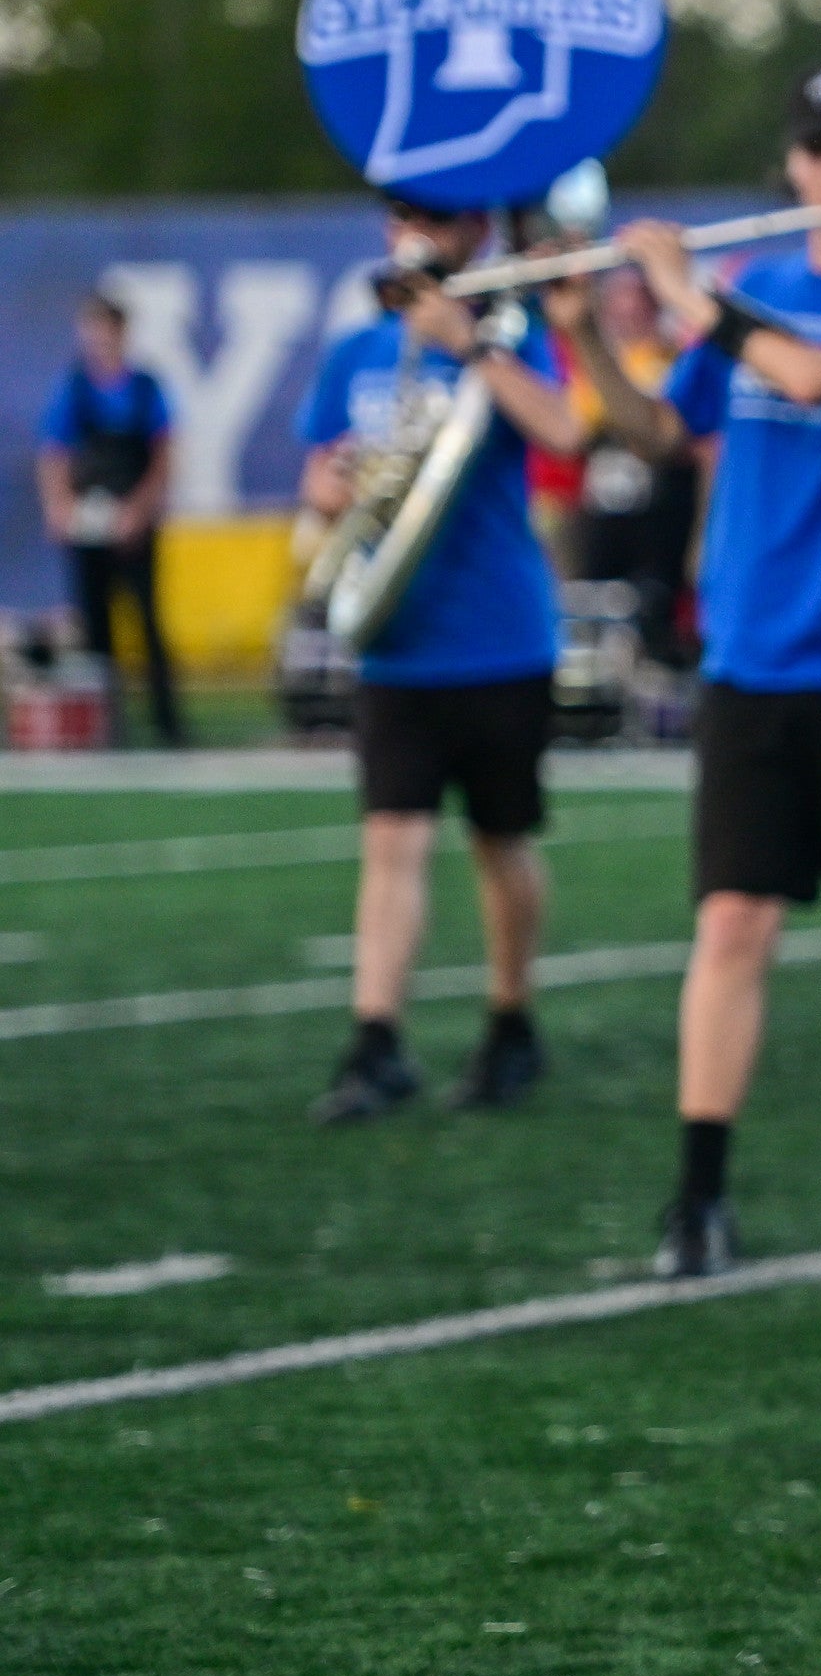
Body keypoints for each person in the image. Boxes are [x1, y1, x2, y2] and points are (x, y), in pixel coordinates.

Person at [557, 61, 821, 1276]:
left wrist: (691, 294)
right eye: (815, 151)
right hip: (751, 657)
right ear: (791, 166)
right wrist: (588, 333)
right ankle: (698, 1196)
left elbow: (816, 378)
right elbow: (656, 433)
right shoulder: (758, 284)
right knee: (731, 922)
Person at [294, 197, 590, 1123]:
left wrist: (470, 343)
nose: (418, 232)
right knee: (393, 840)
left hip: (499, 632)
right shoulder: (355, 349)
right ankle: (376, 1039)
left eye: (441, 217)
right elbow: (317, 471)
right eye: (405, 215)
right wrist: (336, 483)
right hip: (397, 638)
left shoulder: (510, 334)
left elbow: (563, 431)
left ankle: (511, 1019)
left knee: (500, 840)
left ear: (477, 232)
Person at [34, 294, 183, 747]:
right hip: (88, 521)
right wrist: (59, 507)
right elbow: (54, 453)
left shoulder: (144, 387)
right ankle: (106, 725)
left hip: (133, 520)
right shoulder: (75, 388)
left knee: (148, 622)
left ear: (122, 332)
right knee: (96, 629)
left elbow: (163, 454)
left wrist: (140, 510)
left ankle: (168, 725)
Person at [563, 266, 698, 665]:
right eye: (618, 301)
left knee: (657, 618)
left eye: (638, 299)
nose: (628, 311)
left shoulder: (676, 360)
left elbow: (674, 436)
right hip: (602, 516)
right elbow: (573, 432)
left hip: (663, 515)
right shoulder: (593, 369)